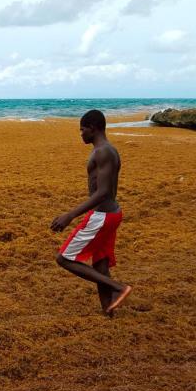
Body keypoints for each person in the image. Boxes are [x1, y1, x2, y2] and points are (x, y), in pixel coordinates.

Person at [51, 109, 132, 316]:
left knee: (64, 258)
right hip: (112, 214)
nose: (81, 134)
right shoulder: (107, 150)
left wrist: (70, 215)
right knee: (100, 265)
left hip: (102, 216)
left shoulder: (103, 151)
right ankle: (108, 310)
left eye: (82, 129)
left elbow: (103, 192)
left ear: (92, 128)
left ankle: (118, 288)